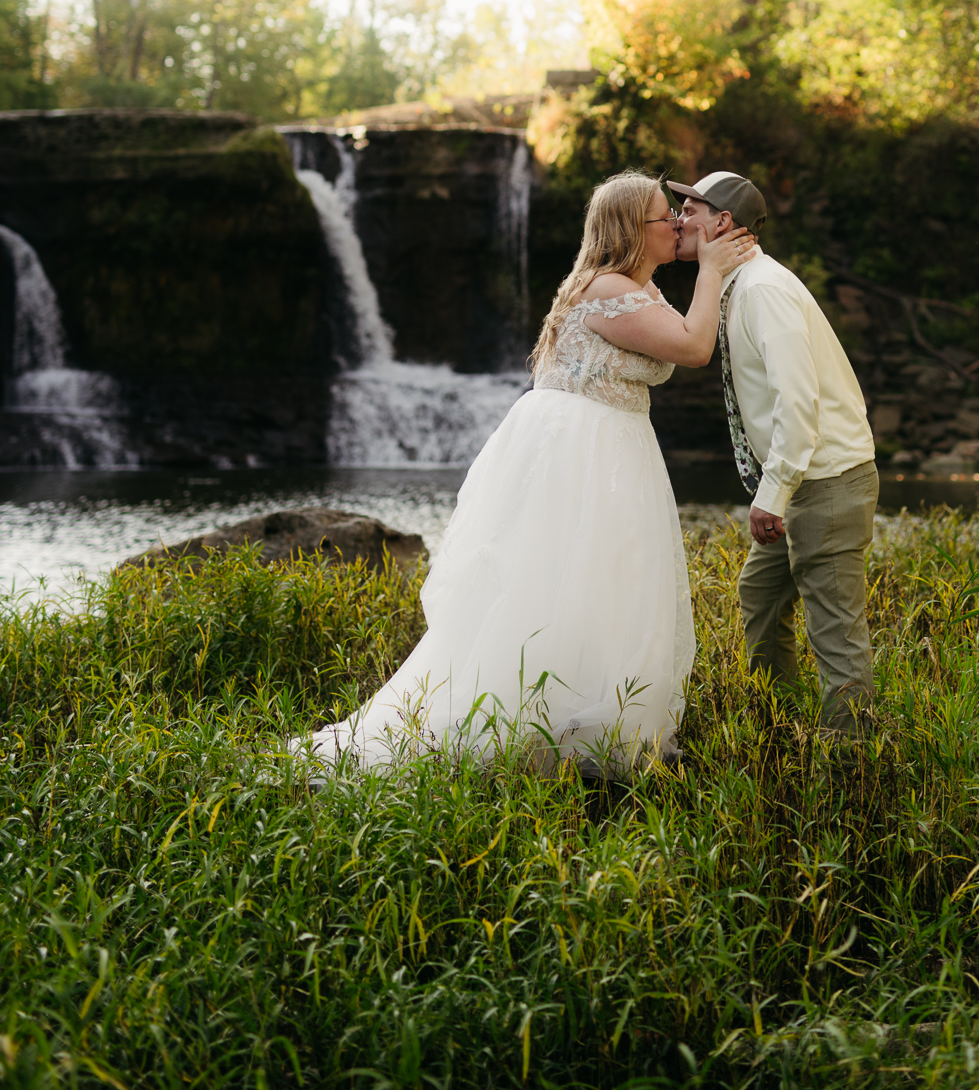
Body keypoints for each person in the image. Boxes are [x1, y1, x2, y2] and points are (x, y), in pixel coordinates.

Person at [292, 171, 754, 772]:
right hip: (583, 450)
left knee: (605, 582)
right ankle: (524, 726)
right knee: (558, 585)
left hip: (611, 445)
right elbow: (695, 349)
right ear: (629, 231)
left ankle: (591, 722)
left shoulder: (635, 286)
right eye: (663, 217)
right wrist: (713, 269)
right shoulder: (608, 288)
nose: (676, 224)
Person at [666, 170, 879, 740]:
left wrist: (772, 493)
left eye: (689, 208)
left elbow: (798, 401)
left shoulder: (762, 291)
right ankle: (779, 734)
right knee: (759, 593)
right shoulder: (735, 286)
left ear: (723, 223)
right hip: (803, 476)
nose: (678, 218)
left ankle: (851, 767)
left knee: (836, 633)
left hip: (827, 479)